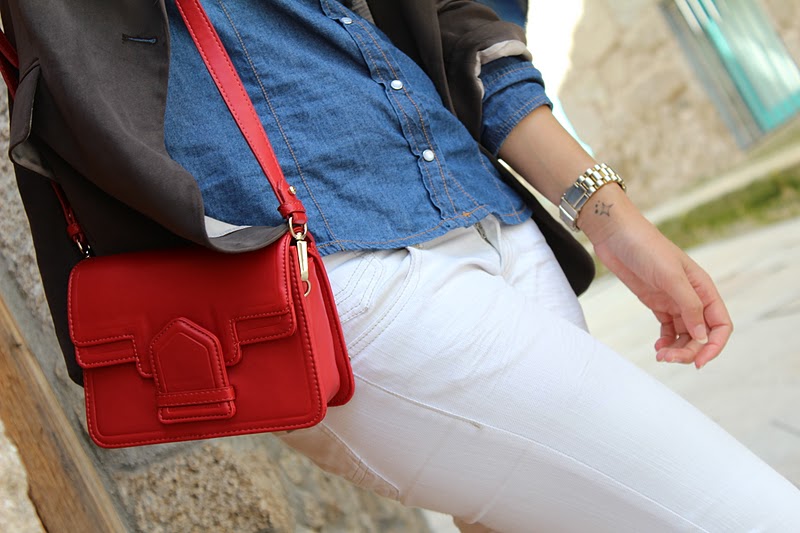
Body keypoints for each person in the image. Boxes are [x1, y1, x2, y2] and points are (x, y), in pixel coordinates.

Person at [2, 0, 800, 531]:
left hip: (484, 212)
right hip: (339, 271)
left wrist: (610, 218)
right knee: (749, 513)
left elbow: (455, 17)